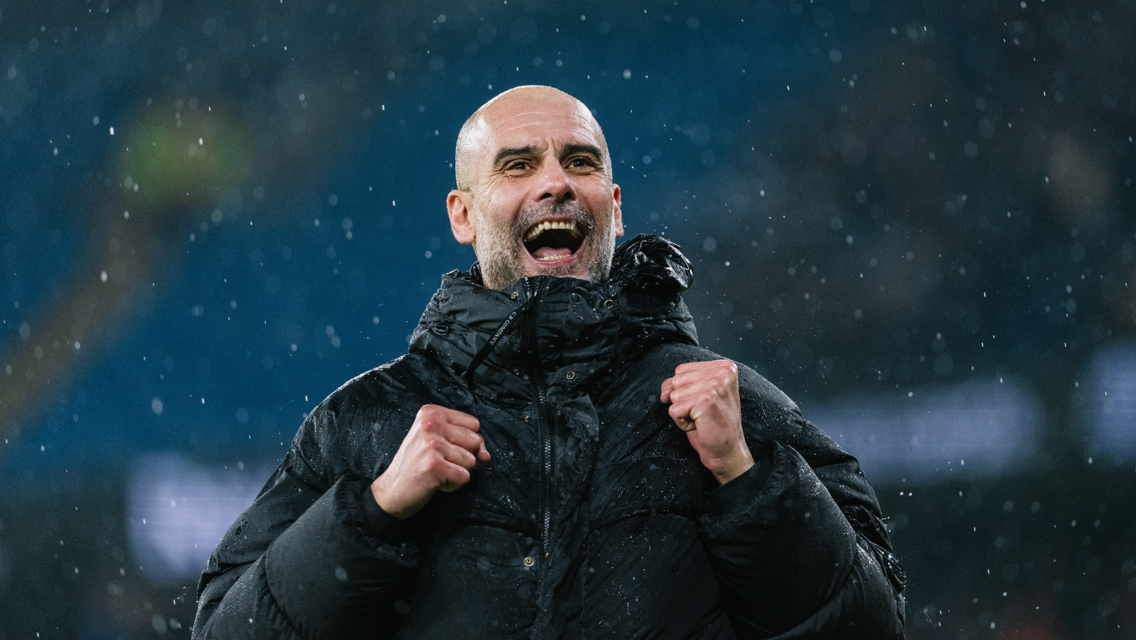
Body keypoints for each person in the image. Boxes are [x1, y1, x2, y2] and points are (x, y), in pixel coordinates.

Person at [191, 85, 906, 639]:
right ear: (463, 215)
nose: (556, 182)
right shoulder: (367, 422)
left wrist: (749, 483)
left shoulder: (732, 406)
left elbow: (872, 624)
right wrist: (373, 515)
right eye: (518, 165)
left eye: (581, 161)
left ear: (615, 207)